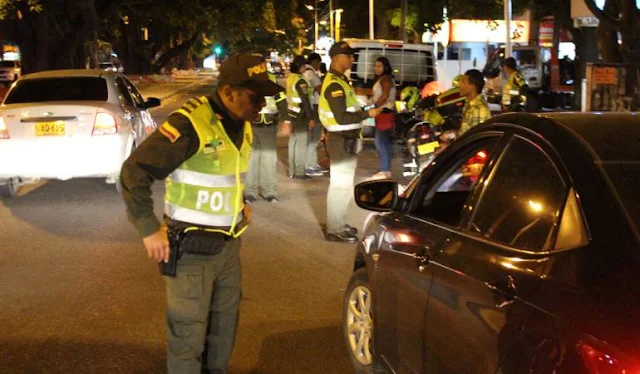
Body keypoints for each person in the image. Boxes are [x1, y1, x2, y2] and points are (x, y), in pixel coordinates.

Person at [120, 53, 283, 374]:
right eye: (255, 96)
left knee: (223, 332)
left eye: (265, 96)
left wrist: (239, 204)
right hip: (192, 253)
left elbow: (225, 173)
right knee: (188, 338)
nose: (262, 103)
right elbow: (134, 172)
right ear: (228, 91)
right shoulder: (191, 123)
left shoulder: (242, 123)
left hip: (229, 249)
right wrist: (148, 227)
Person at [319, 40, 382, 243]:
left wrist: (363, 110)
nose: (352, 60)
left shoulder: (341, 81)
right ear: (338, 58)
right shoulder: (335, 85)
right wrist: (367, 114)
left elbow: (349, 109)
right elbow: (341, 118)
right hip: (340, 140)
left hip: (346, 140)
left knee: (344, 185)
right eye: (349, 56)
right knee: (340, 185)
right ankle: (335, 229)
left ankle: (338, 223)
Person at [245, 71, 288, 203]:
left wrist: (286, 120)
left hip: (268, 126)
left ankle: (270, 192)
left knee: (269, 160)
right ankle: (250, 192)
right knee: (251, 160)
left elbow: (281, 100)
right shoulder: (246, 78)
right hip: (250, 126)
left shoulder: (271, 79)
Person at [286, 55, 317, 179]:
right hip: (301, 114)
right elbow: (305, 100)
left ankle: (292, 171)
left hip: (292, 113)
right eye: (304, 65)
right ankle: (299, 172)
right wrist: (311, 118)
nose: (306, 67)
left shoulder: (291, 78)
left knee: (293, 142)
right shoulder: (301, 80)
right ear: (300, 67)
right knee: (301, 144)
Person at [371, 56, 396, 179]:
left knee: (381, 141)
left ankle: (385, 170)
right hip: (382, 112)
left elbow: (385, 96)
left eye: (379, 65)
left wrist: (374, 106)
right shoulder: (383, 79)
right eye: (375, 65)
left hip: (384, 112)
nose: (376, 68)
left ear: (385, 67)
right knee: (382, 141)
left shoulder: (385, 79)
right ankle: (384, 168)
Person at [303, 52, 328, 177]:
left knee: (312, 138)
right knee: (314, 138)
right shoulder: (312, 74)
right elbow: (321, 90)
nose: (319, 65)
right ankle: (309, 165)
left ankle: (312, 163)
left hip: (308, 108)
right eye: (318, 62)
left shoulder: (304, 73)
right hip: (314, 107)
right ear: (314, 62)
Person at [458, 69, 491, 136]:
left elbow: (476, 140)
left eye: (463, 82)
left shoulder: (478, 109)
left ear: (472, 86)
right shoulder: (469, 104)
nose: (459, 85)